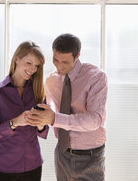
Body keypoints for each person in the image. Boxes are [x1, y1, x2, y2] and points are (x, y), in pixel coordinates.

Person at [27, 33, 108, 181]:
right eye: (55, 60)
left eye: (65, 62)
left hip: (90, 156)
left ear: (77, 57)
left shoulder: (96, 77)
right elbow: (50, 112)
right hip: (62, 154)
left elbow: (94, 120)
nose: (59, 66)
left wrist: (54, 118)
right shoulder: (51, 80)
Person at [0, 41, 48, 181]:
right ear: (17, 59)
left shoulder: (38, 91)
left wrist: (41, 123)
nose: (33, 69)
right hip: (2, 168)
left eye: (36, 65)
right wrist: (14, 122)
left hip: (33, 166)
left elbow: (43, 132)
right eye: (29, 63)